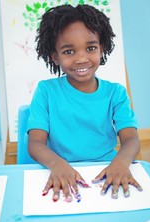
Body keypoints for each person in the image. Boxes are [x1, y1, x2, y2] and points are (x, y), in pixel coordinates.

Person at [27, 4, 142, 202]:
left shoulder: (116, 93)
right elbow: (36, 143)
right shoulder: (46, 91)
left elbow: (131, 139)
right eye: (69, 52)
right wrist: (57, 164)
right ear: (55, 57)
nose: (81, 58)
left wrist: (121, 162)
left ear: (101, 49)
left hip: (107, 170)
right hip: (59, 171)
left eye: (90, 48)